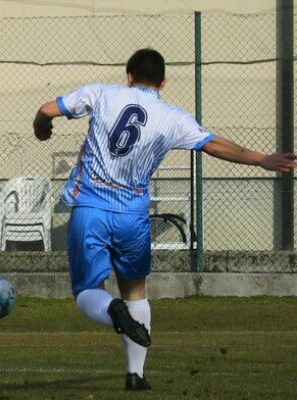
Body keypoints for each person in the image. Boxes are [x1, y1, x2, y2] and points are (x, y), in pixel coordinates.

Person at [33, 48, 297, 391]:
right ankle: (136, 375)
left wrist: (42, 128)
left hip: (91, 209)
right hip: (132, 217)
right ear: (163, 83)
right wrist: (262, 159)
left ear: (128, 76)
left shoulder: (101, 93)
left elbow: (46, 111)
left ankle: (112, 310)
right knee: (136, 290)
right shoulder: (173, 117)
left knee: (87, 292)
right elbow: (215, 144)